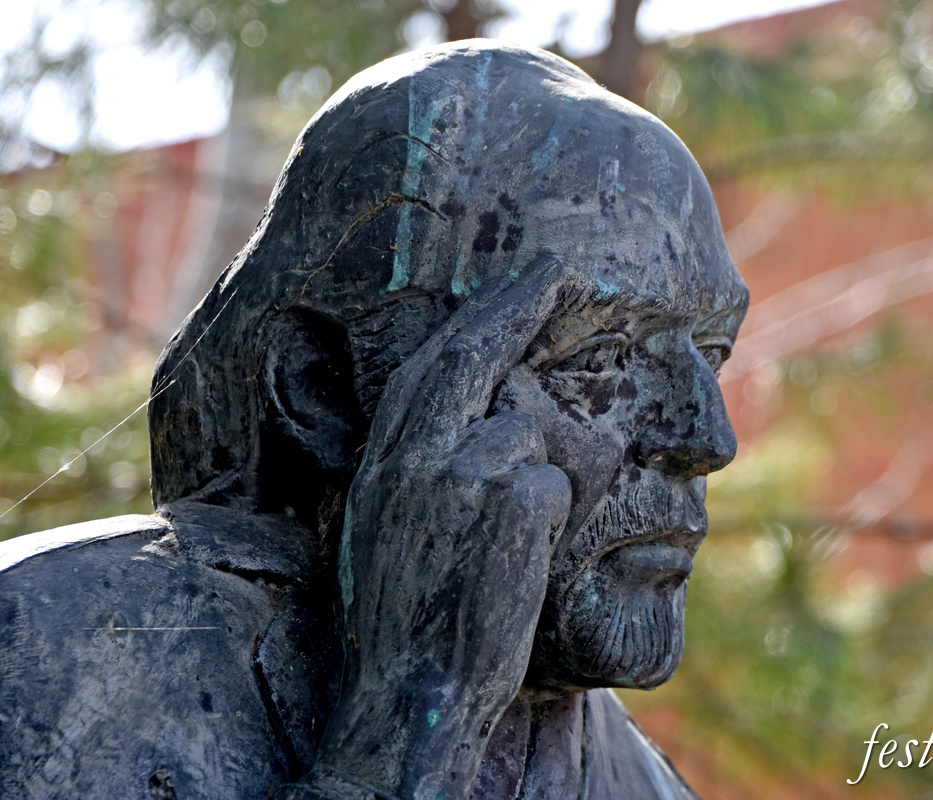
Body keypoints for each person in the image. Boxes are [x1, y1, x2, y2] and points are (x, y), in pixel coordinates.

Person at [0, 41, 748, 799]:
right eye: (603, 357)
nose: (707, 441)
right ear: (321, 388)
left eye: (711, 353)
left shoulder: (651, 786)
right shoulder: (39, 666)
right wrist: (410, 728)